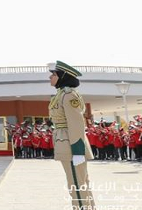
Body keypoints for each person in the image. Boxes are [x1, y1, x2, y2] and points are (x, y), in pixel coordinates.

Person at [48, 61, 95, 210]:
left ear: (63, 76)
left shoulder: (68, 95)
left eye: (54, 74)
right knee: (79, 183)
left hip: (71, 144)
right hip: (65, 141)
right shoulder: (61, 94)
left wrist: (78, 151)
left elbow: (76, 124)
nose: (50, 77)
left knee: (76, 183)